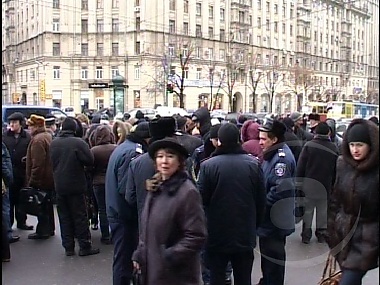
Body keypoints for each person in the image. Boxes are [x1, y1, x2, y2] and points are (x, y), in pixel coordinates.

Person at [197, 123, 266, 285]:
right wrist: (253, 226)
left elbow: (201, 200)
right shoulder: (253, 165)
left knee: (217, 277)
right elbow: (261, 200)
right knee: (243, 278)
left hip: (216, 234)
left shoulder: (208, 166)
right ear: (239, 140)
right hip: (244, 233)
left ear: (219, 141)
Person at [132, 137, 207, 285]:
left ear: (179, 162)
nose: (164, 161)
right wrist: (140, 253)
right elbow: (147, 227)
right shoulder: (155, 187)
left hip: (175, 275)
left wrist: (169, 256)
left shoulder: (187, 192)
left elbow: (196, 235)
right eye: (160, 156)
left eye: (170, 156)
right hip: (153, 270)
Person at [327, 118, 379, 285]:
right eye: (352, 144)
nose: (355, 150)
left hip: (367, 239)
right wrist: (331, 229)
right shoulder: (342, 164)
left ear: (370, 145)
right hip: (342, 236)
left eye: (360, 145)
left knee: (348, 280)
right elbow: (335, 200)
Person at [105, 122, 151, 285]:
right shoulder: (132, 152)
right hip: (124, 215)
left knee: (123, 259)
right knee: (124, 262)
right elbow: (127, 189)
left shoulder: (124, 146)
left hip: (117, 211)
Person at [50, 117, 99, 256]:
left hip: (59, 185)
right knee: (80, 216)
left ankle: (68, 247)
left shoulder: (54, 143)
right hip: (76, 185)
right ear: (74, 128)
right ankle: (84, 246)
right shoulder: (78, 143)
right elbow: (90, 160)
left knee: (64, 217)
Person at [256, 119, 296, 285]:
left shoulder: (281, 160)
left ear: (275, 140)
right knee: (268, 259)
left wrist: (261, 207)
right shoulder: (272, 155)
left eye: (264, 139)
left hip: (274, 221)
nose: (260, 142)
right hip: (270, 221)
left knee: (274, 262)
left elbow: (278, 190)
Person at [296, 122, 339, 244]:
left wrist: (299, 184)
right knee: (322, 211)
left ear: (315, 132)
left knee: (308, 211)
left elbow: (301, 167)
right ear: (328, 133)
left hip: (309, 186)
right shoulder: (333, 148)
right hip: (325, 186)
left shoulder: (309, 146)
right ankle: (321, 234)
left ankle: (306, 235)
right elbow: (336, 170)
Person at [25, 115, 55, 240]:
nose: (29, 128)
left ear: (36, 126)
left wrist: (33, 181)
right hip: (49, 177)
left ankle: (43, 230)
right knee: (47, 205)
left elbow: (38, 163)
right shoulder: (47, 136)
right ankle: (50, 228)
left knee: (41, 205)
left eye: (30, 126)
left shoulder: (37, 140)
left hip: (42, 179)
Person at [2, 112, 33, 231]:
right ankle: (8, 224)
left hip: (21, 172)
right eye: (10, 122)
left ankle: (21, 221)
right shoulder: (5, 136)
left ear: (21, 124)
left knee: (21, 199)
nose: (12, 125)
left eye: (15, 122)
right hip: (9, 172)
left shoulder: (27, 137)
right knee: (9, 200)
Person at [90, 125, 117, 244]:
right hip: (112, 182)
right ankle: (115, 233)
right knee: (114, 208)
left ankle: (105, 235)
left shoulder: (94, 151)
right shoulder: (116, 148)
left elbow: (89, 168)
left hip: (98, 182)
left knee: (102, 209)